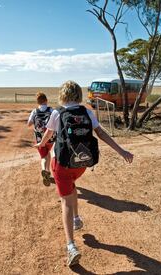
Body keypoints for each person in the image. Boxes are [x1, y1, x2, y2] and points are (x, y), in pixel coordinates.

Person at [34, 81, 133, 267]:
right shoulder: (87, 111)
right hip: (81, 162)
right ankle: (77, 219)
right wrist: (122, 151)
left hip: (61, 163)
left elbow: (48, 134)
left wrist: (41, 145)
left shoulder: (57, 112)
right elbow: (101, 134)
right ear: (79, 95)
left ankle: (71, 246)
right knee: (72, 185)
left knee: (65, 201)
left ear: (62, 95)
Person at [27, 92, 55, 186]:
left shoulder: (34, 111)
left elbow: (29, 124)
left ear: (38, 102)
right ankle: (47, 171)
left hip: (39, 138)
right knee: (48, 154)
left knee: (44, 156)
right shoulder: (51, 110)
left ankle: (44, 169)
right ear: (46, 100)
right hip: (50, 138)